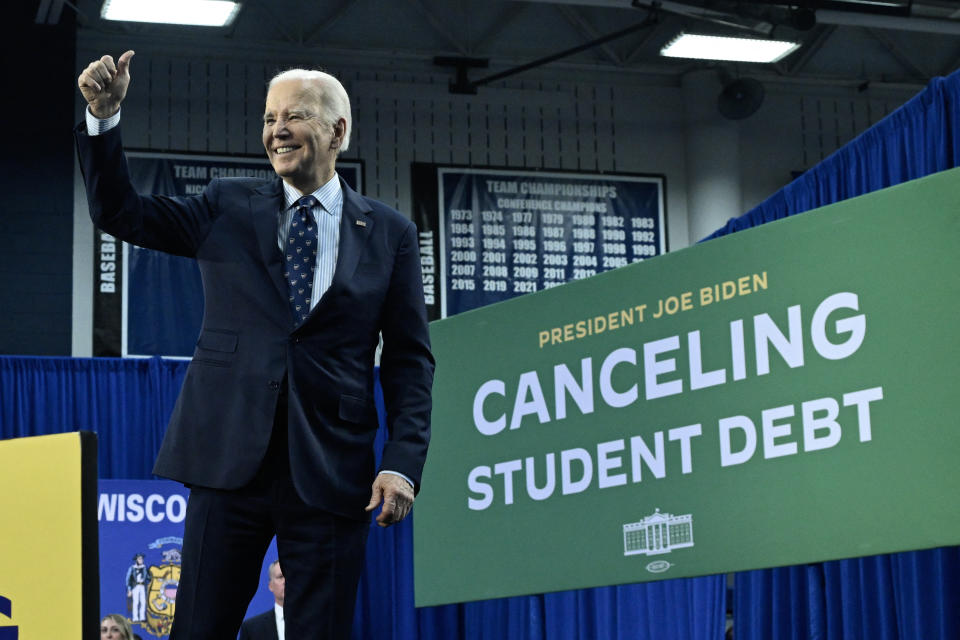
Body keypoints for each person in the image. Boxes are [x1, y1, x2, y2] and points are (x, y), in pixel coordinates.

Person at [76, 51, 434, 640]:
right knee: (199, 628)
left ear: (337, 130)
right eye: (269, 119)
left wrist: (401, 463)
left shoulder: (390, 233)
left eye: (293, 116)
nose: (277, 130)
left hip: (330, 464)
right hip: (227, 456)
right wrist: (105, 119)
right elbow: (122, 213)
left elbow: (409, 359)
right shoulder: (227, 205)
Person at [238, 560, 285, 640]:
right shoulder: (251, 628)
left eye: (289, 576)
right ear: (270, 586)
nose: (285, 581)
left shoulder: (312, 623)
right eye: (280, 577)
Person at [125, 552, 148, 623]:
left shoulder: (144, 568)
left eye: (142, 559)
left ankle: (142, 617)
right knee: (136, 602)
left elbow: (147, 576)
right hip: (135, 586)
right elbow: (128, 579)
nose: (141, 560)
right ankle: (135, 618)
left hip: (142, 586)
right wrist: (129, 589)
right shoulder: (132, 568)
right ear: (136, 560)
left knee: (143, 602)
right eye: (139, 559)